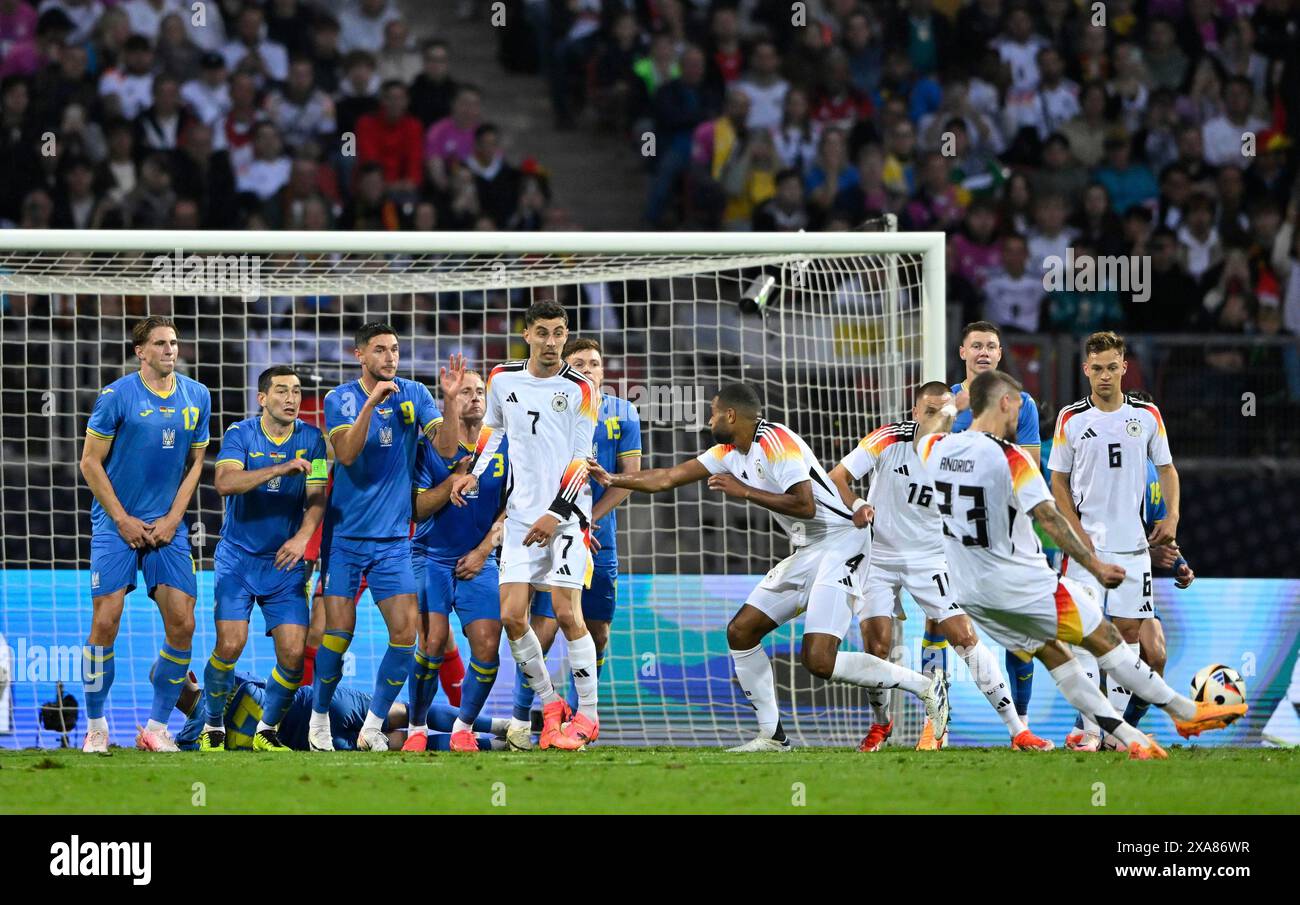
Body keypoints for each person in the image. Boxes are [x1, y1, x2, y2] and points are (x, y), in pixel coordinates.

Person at [589, 382, 949, 751]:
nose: (708, 420)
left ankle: (926, 686)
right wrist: (614, 478)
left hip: (843, 543)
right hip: (809, 548)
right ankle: (773, 735)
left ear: (731, 415)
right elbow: (667, 477)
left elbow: (804, 505)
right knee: (741, 631)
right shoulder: (727, 452)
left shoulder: (778, 443)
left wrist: (743, 490)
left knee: (819, 660)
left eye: (713, 413)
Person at [918, 369, 1245, 760]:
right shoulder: (1011, 459)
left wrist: (952, 406)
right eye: (1018, 407)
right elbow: (1051, 518)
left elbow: (924, 435)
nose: (1020, 418)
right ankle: (1185, 711)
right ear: (1004, 402)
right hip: (1024, 585)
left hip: (973, 595)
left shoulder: (938, 449)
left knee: (1055, 654)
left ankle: (1128, 736)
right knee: (1106, 639)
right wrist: (1094, 565)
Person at [830, 382, 1053, 752]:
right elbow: (838, 476)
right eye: (931, 411)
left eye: (946, 412)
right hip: (879, 557)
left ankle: (1017, 730)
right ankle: (881, 725)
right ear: (916, 413)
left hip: (931, 559)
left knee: (964, 637)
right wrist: (856, 505)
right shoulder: (888, 438)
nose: (939, 419)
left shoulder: (957, 450)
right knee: (877, 646)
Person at [448, 302, 602, 751]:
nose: (552, 342)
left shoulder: (582, 389)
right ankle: (551, 705)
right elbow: (494, 430)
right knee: (512, 616)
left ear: (566, 333)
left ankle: (588, 717)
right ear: (527, 334)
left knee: (567, 612)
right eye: (543, 333)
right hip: (519, 516)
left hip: (567, 515)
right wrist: (474, 470)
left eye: (559, 333)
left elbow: (581, 461)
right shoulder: (501, 378)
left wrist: (554, 514)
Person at [307, 322, 463, 752]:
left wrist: (449, 403)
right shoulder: (339, 398)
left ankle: (372, 725)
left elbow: (448, 450)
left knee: (405, 635)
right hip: (344, 540)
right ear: (360, 355)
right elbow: (347, 454)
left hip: (394, 541)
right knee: (335, 634)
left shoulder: (415, 394)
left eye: (394, 349)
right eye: (380, 350)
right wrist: (370, 405)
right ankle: (318, 718)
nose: (390, 357)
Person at [79, 316, 211, 753]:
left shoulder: (197, 396)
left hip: (167, 526)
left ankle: (156, 728)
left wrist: (175, 518)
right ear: (141, 351)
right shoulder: (116, 397)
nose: (170, 350)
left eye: (173, 342)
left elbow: (195, 464)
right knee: (106, 620)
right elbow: (90, 463)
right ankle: (97, 726)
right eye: (160, 343)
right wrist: (120, 519)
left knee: (183, 622)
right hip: (116, 524)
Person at [1049, 333, 1183, 750]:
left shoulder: (1147, 416)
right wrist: (1076, 532)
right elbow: (1058, 481)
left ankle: (1113, 735)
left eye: (1111, 367)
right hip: (1085, 551)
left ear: (1124, 367)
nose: (1104, 375)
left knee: (1127, 635)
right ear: (1085, 369)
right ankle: (1090, 731)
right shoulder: (1070, 418)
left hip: (1133, 548)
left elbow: (1167, 469)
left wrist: (1173, 516)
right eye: (1096, 368)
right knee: (1085, 634)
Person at [512, 338, 641, 750]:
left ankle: (577, 718)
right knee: (544, 629)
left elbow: (630, 478)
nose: (589, 368)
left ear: (604, 371)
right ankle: (520, 721)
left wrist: (591, 521)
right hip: (556, 531)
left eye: (596, 363)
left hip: (600, 537)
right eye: (580, 362)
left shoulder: (624, 412)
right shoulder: (553, 409)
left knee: (597, 632)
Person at [199, 366, 327, 752]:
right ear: (262, 398)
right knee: (230, 645)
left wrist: (303, 538)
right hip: (237, 560)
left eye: (297, 392)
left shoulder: (313, 439)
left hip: (284, 562)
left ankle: (266, 730)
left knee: (292, 651)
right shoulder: (240, 434)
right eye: (282, 391)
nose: (291, 399)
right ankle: (213, 725)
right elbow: (224, 483)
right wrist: (280, 467)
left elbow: (317, 493)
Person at [403, 369, 508, 753]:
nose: (475, 398)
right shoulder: (428, 448)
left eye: (480, 392)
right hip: (429, 557)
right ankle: (416, 728)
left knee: (486, 644)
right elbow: (416, 509)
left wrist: (484, 551)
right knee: (431, 643)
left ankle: (463, 726)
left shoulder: (502, 444)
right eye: (466, 392)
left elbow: (512, 507)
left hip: (479, 559)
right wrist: (450, 484)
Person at [949, 320, 1041, 733]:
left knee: (1019, 628)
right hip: (950, 533)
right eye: (976, 346)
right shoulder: (946, 404)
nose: (984, 352)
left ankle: (1021, 723)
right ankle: (937, 722)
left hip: (1004, 533)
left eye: (991, 346)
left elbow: (1032, 468)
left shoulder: (1022, 404)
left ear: (1000, 355)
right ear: (963, 353)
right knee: (940, 620)